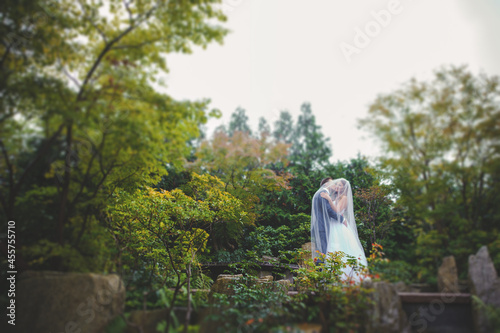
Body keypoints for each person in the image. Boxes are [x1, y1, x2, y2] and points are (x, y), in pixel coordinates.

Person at [311, 178, 368, 282]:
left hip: (339, 226)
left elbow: (336, 210)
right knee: (330, 249)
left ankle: (344, 276)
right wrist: (329, 198)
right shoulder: (331, 196)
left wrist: (328, 199)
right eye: (336, 184)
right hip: (332, 225)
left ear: (344, 188)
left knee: (340, 249)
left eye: (340, 185)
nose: (337, 186)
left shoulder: (344, 197)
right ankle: (329, 276)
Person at [310, 177, 345, 262]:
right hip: (322, 227)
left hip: (321, 226)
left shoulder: (322, 193)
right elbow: (329, 211)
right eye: (332, 183)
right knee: (322, 253)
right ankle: (320, 273)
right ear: (326, 184)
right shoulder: (323, 193)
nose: (334, 184)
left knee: (322, 252)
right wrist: (342, 220)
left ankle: (320, 272)